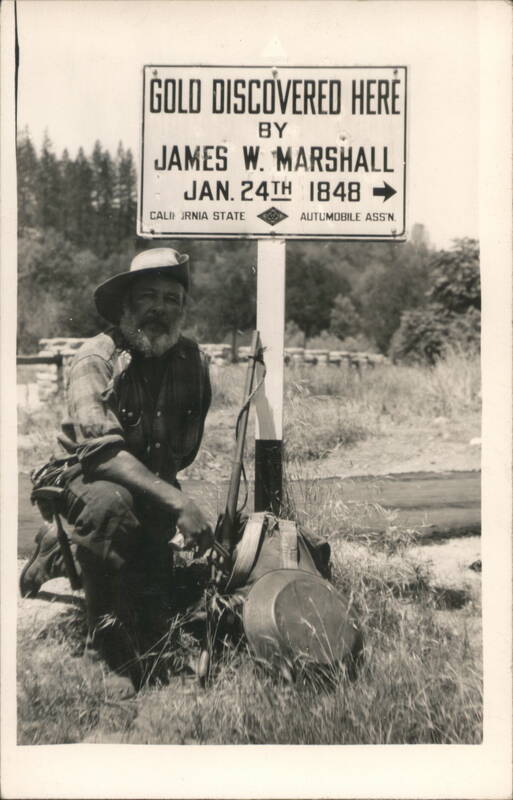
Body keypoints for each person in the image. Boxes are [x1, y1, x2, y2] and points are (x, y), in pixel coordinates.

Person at [20, 248, 214, 698]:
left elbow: (183, 449)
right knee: (111, 506)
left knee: (149, 555)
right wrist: (178, 500)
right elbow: (102, 456)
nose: (160, 309)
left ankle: (59, 551)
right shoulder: (97, 358)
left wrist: (165, 500)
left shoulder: (191, 361)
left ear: (183, 308)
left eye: (172, 298)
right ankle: (105, 653)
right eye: (148, 296)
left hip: (145, 480)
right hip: (79, 475)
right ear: (125, 305)